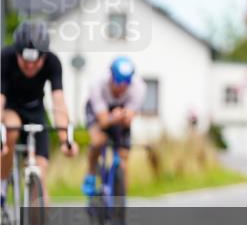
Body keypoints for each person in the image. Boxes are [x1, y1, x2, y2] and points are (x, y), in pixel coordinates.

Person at [1, 22, 76, 205]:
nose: (30, 66)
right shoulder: (6, 57)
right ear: (17, 54)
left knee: (40, 172)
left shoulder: (53, 62)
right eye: (25, 61)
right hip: (10, 107)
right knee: (12, 128)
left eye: (36, 62)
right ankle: (2, 185)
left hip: (35, 110)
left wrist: (65, 139)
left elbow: (58, 102)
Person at [82, 56, 147, 198]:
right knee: (98, 141)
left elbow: (129, 119)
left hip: (120, 112)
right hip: (97, 112)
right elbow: (103, 121)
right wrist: (113, 117)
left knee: (124, 155)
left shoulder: (138, 87)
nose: (122, 87)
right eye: (118, 82)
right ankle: (91, 173)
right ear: (111, 77)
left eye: (126, 83)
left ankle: (121, 198)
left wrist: (124, 117)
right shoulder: (97, 84)